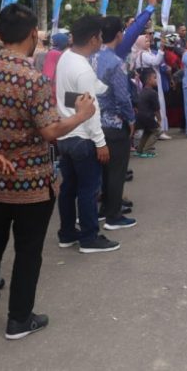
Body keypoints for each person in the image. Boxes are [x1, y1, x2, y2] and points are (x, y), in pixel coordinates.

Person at [0, 3, 98, 340]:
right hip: (31, 185)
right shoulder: (34, 80)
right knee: (28, 252)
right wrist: (81, 115)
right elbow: (49, 131)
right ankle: (19, 319)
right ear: (31, 34)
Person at [53, 15, 117, 254]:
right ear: (93, 39)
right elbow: (91, 110)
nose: (101, 40)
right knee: (89, 189)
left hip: (66, 133)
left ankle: (67, 233)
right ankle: (90, 237)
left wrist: (101, 87)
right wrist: (101, 142)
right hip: (83, 136)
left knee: (69, 187)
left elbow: (73, 95)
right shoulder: (83, 68)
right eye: (100, 37)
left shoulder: (66, 59)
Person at [92, 17, 137, 232]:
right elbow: (122, 97)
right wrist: (130, 119)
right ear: (119, 34)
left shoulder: (90, 57)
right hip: (113, 122)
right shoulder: (116, 62)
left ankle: (103, 209)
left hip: (92, 121)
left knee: (102, 171)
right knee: (117, 171)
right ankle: (113, 215)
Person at [133, 68, 162, 157]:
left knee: (148, 132)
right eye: (155, 78)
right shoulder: (152, 93)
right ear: (149, 80)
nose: (156, 80)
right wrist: (159, 120)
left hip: (140, 117)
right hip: (147, 117)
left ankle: (140, 150)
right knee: (157, 131)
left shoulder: (142, 91)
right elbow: (156, 109)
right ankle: (147, 150)